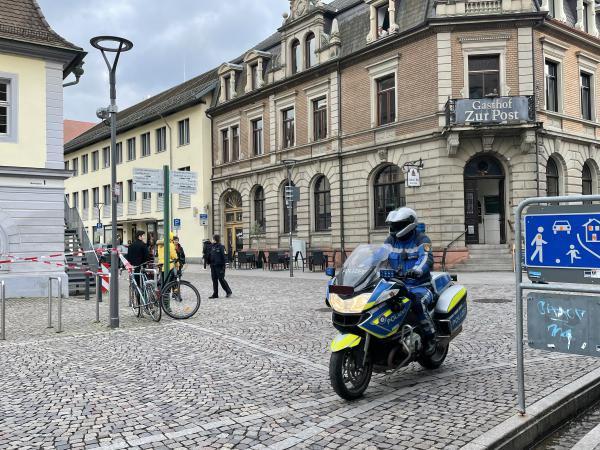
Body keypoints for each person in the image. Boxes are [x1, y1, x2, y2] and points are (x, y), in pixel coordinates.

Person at [384, 207, 437, 355]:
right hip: (396, 285)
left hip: (420, 285)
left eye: (398, 225)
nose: (394, 228)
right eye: (393, 225)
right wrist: (365, 266)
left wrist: (417, 270)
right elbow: (378, 256)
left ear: (409, 224)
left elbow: (426, 258)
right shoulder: (391, 240)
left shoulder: (421, 239)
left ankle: (430, 336)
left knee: (417, 302)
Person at [208, 234, 232, 299]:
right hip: (213, 266)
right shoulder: (211, 247)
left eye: (212, 239)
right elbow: (209, 255)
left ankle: (228, 291)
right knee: (214, 280)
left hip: (220, 266)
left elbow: (225, 255)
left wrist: (226, 263)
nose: (212, 240)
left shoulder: (221, 246)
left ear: (215, 239)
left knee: (221, 279)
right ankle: (215, 294)